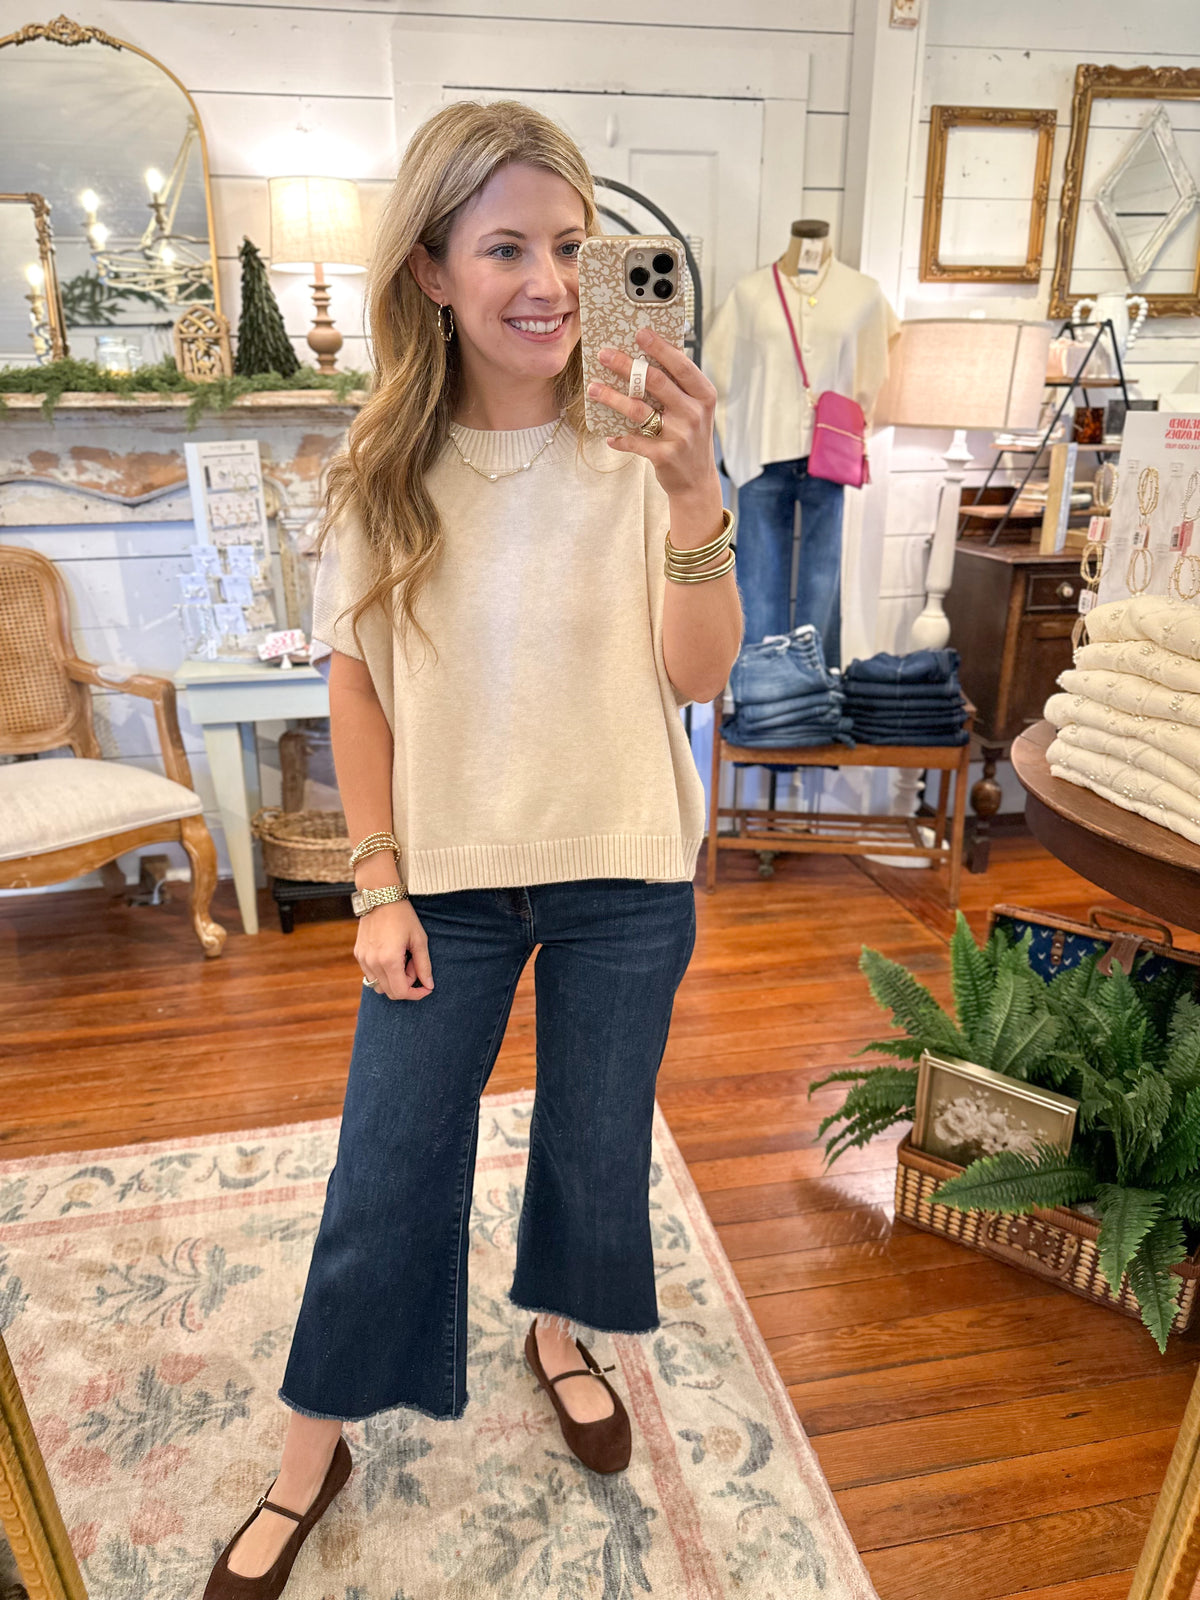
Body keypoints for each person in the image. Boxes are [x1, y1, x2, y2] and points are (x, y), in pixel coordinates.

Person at [203, 97, 742, 1599]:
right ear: (432, 270)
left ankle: (556, 1335)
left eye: (572, 245)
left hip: (628, 868)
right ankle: (311, 1449)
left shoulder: (646, 442)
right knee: (386, 1162)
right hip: (444, 874)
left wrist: (696, 494)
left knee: (593, 1143)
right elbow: (358, 685)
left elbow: (700, 677)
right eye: (505, 245)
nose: (550, 282)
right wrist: (374, 880)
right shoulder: (379, 465)